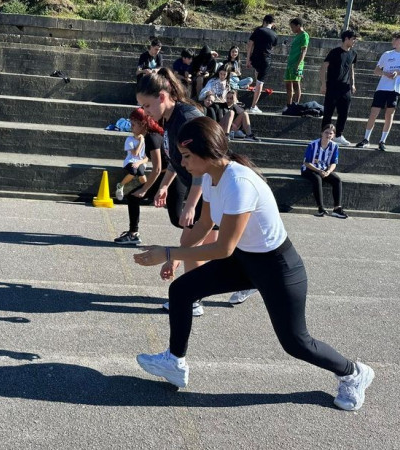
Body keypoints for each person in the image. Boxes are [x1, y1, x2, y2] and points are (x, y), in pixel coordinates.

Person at [133, 117, 374, 412]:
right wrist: (176, 254)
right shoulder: (210, 177)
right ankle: (174, 361)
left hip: (277, 267)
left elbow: (223, 247)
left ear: (207, 153)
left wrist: (169, 253)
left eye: (186, 156)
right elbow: (204, 224)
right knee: (181, 290)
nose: (183, 164)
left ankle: (353, 373)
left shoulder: (238, 183)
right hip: (245, 260)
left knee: (296, 343)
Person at [136, 69, 256, 311]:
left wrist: (191, 204)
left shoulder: (186, 117)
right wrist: (165, 184)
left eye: (147, 105)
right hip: (205, 188)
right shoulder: (170, 118)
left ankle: (194, 299)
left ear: (162, 97)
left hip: (208, 188)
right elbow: (176, 158)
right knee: (205, 247)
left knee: (194, 244)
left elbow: (202, 162)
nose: (145, 112)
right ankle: (250, 277)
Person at [355, 31, 400, 151]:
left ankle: (382, 141)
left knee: (389, 115)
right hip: (382, 87)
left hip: (396, 89)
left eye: (396, 39)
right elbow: (376, 70)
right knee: (373, 113)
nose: (393, 41)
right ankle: (366, 139)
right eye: (393, 39)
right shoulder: (387, 54)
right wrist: (386, 73)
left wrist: (399, 73)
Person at [114, 108, 165, 245]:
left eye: (133, 124)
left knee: (177, 217)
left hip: (168, 177)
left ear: (143, 123)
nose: (131, 127)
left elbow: (157, 168)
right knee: (132, 197)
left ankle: (204, 231)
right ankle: (133, 234)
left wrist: (145, 189)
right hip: (164, 176)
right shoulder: (149, 137)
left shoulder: (152, 138)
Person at [320, 29, 359, 147]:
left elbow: (351, 69)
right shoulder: (334, 52)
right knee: (328, 112)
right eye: (353, 39)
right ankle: (324, 135)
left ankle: (338, 135)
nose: (354, 42)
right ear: (346, 39)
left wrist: (352, 83)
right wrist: (323, 84)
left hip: (345, 87)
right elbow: (323, 67)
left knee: (344, 112)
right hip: (332, 86)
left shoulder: (353, 53)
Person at [301, 124, 348, 218]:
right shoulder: (312, 145)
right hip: (309, 169)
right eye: (326, 132)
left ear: (334, 135)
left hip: (324, 169)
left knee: (337, 180)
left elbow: (334, 163)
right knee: (317, 179)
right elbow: (306, 163)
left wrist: (328, 171)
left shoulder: (334, 146)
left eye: (331, 133)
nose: (328, 135)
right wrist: (318, 171)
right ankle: (321, 208)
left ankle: (337, 208)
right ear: (322, 133)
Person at [246, 14, 278, 114]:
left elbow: (250, 44)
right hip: (265, 59)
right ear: (273, 24)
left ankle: (256, 88)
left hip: (255, 57)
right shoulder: (274, 34)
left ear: (264, 21)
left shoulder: (258, 30)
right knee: (260, 82)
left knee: (257, 70)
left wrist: (248, 59)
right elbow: (272, 48)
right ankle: (253, 106)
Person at [115, 128, 148, 202]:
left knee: (140, 171)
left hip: (141, 162)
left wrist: (139, 163)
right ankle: (120, 185)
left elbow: (146, 159)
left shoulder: (146, 141)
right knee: (133, 171)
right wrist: (141, 142)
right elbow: (135, 153)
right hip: (130, 161)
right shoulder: (129, 139)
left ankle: (145, 190)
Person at [284, 18, 309, 110]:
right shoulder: (297, 36)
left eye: (292, 27)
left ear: (298, 26)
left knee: (296, 84)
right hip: (290, 63)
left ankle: (295, 105)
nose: (292, 29)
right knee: (288, 85)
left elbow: (304, 51)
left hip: (297, 63)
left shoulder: (304, 35)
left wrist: (298, 64)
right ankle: (288, 106)